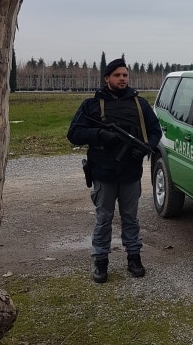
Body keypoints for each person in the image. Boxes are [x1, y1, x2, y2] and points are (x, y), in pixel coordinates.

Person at [67, 57, 162, 283]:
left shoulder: (140, 104)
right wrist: (99, 135)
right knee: (103, 219)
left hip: (130, 173)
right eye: (117, 75)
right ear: (107, 78)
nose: (122, 79)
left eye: (125, 75)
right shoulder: (91, 105)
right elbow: (74, 134)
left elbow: (155, 131)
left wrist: (146, 148)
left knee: (131, 218)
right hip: (103, 172)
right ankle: (100, 261)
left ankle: (134, 258)